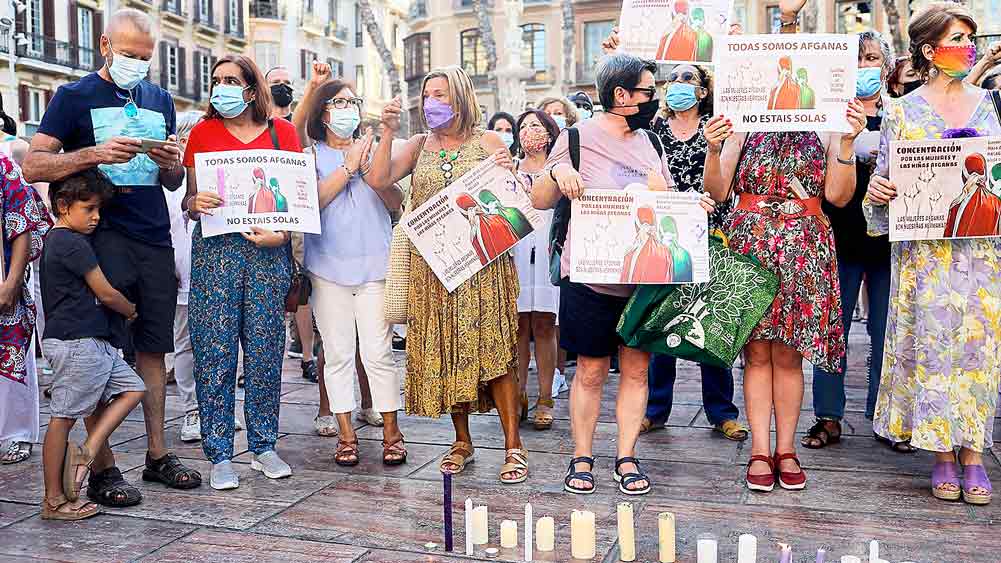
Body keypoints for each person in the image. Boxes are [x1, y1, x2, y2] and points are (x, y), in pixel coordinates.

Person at [22, 8, 201, 495]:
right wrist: (95, 154)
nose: (138, 65)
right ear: (104, 45)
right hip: (98, 240)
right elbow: (34, 164)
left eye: (145, 58)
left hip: (152, 238)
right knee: (99, 349)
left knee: (153, 346)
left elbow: (173, 180)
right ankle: (102, 466)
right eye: (128, 55)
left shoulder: (159, 98)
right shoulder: (73, 96)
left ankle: (157, 453)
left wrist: (171, 163)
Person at [531, 53, 715, 496]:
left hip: (643, 281)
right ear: (622, 96)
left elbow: (664, 204)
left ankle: (627, 456)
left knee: (637, 371)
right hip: (590, 279)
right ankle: (582, 456)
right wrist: (559, 170)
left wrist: (691, 206)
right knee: (591, 372)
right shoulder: (576, 137)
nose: (657, 100)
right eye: (649, 92)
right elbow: (539, 199)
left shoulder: (651, 143)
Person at [702, 0, 865, 493]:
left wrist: (848, 142)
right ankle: (757, 450)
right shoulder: (743, 115)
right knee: (755, 354)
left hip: (805, 242)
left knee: (789, 356)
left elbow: (837, 195)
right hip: (751, 239)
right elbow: (717, 190)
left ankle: (787, 448)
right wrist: (713, 146)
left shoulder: (827, 116)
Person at [366, 66, 529, 485]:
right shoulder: (418, 145)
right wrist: (387, 131)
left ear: (460, 97)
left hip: (484, 267)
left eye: (441, 95)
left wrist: (509, 172)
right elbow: (379, 179)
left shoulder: (488, 141)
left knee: (494, 352)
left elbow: (513, 199)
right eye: (426, 96)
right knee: (448, 352)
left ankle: (514, 445)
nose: (432, 103)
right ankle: (462, 441)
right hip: (433, 270)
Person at [866, 2, 1000, 506]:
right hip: (925, 256)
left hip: (981, 254)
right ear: (929, 49)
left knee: (976, 352)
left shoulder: (989, 105)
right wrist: (877, 192)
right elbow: (882, 182)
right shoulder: (901, 111)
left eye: (970, 37)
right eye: (956, 38)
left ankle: (974, 451)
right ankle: (942, 451)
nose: (967, 47)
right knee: (931, 351)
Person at [183, 54, 300, 490]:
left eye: (231, 80)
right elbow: (189, 200)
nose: (221, 87)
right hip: (215, 252)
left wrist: (282, 237)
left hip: (268, 254)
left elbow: (296, 202)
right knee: (214, 352)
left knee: (265, 351)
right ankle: (219, 452)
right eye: (216, 80)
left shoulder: (282, 132)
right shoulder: (202, 132)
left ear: (252, 89)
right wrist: (194, 203)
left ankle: (264, 445)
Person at [291, 62, 407, 466]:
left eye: (352, 102)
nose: (347, 109)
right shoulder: (307, 156)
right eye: (338, 102)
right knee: (337, 354)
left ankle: (392, 430)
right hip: (328, 271)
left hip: (376, 268)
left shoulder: (375, 150)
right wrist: (347, 167)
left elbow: (396, 206)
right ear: (323, 113)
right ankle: (345, 434)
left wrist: (376, 172)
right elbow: (312, 204)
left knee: (378, 352)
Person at [802, 31, 899, 452]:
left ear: (887, 65)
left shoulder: (903, 115)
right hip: (840, 240)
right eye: (856, 58)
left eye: (872, 57)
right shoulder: (827, 116)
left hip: (892, 243)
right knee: (832, 331)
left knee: (888, 332)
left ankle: (887, 416)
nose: (865, 65)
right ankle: (828, 416)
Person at [39, 168, 145, 520]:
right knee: (63, 418)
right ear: (63, 206)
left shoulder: (64, 241)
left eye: (99, 209)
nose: (96, 217)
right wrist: (129, 309)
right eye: (89, 209)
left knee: (133, 388)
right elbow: (105, 292)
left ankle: (89, 449)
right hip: (77, 341)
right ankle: (53, 500)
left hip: (90, 342)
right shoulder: (70, 242)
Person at [165, 111, 244, 443]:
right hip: (181, 276)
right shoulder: (168, 184)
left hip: (218, 273)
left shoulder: (218, 174)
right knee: (185, 346)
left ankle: (222, 408)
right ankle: (191, 410)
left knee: (226, 344)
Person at [511, 109, 561, 430]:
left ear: (549, 133)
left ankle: (545, 397)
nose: (530, 131)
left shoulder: (560, 170)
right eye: (524, 126)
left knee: (544, 325)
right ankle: (517, 396)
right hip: (515, 252)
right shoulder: (509, 170)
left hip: (546, 251)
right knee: (517, 327)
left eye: (536, 125)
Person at [0, 149, 51, 465]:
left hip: (5, 279)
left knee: (14, 358)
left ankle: (16, 434)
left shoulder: (3, 166)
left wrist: (12, 282)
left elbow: (23, 225)